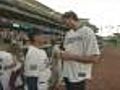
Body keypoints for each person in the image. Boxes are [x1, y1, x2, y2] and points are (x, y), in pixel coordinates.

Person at [54, 11, 101, 90]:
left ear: (71, 18)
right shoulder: (68, 33)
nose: (64, 24)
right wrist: (61, 54)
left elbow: (95, 58)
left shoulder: (87, 32)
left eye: (65, 22)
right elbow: (67, 51)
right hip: (67, 73)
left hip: (79, 75)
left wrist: (71, 57)